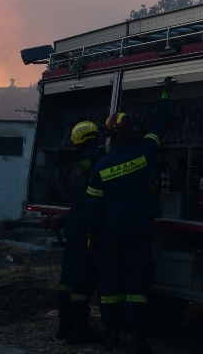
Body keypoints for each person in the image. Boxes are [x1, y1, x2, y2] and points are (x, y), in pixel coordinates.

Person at [87, 80, 172, 353]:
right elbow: (159, 129)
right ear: (129, 131)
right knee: (137, 284)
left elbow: (93, 208)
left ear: (108, 135)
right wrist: (165, 97)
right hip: (138, 230)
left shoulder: (100, 167)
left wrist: (93, 238)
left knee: (111, 283)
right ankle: (137, 339)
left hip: (111, 233)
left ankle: (111, 338)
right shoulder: (143, 152)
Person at [56, 120, 107, 343]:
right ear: (93, 138)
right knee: (82, 278)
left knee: (67, 276)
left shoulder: (81, 161)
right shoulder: (94, 157)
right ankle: (79, 330)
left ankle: (64, 325)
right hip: (84, 223)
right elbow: (108, 150)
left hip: (75, 222)